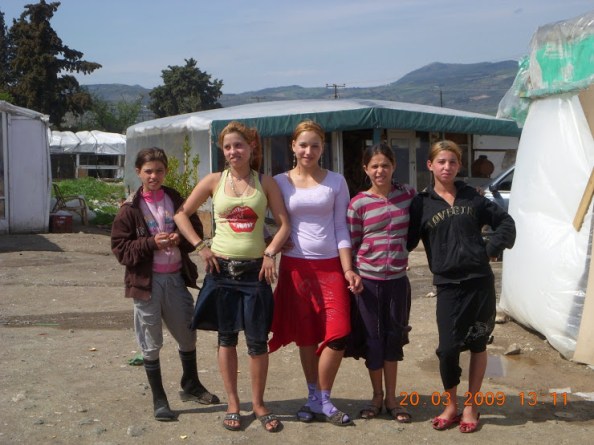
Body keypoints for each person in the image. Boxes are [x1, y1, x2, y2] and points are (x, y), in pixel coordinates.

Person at [173, 121, 290, 433]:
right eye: (227, 147)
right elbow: (181, 214)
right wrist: (200, 246)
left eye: (238, 145)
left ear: (251, 147)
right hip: (221, 272)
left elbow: (284, 225)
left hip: (255, 272)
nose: (233, 151)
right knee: (226, 338)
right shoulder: (213, 181)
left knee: (257, 342)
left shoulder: (266, 183)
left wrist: (270, 252)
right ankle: (233, 404)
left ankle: (259, 404)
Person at [407, 140, 515, 433]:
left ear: (459, 165)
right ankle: (450, 405)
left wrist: (490, 249)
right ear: (430, 165)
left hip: (479, 283)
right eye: (441, 162)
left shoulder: (472, 197)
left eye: (452, 162)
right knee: (447, 349)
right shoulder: (421, 203)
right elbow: (406, 239)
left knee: (478, 344)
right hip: (448, 286)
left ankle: (471, 405)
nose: (447, 167)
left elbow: (506, 223)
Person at [111, 147, 219, 422]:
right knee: (150, 341)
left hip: (175, 278)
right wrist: (151, 243)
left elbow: (194, 228)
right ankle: (159, 398)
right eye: (148, 171)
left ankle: (191, 384)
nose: (154, 176)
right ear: (138, 172)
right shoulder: (130, 210)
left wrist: (179, 238)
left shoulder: (175, 199)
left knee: (187, 332)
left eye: (159, 171)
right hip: (146, 284)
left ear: (166, 172)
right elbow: (121, 250)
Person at [268, 119, 363, 427]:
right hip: (296, 267)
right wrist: (272, 243)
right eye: (303, 145)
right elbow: (268, 220)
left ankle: (322, 397)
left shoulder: (336, 181)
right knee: (306, 335)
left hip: (331, 266)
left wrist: (348, 269)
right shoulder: (279, 181)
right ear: (293, 147)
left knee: (338, 334)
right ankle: (315, 397)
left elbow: (341, 227)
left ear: (323, 148)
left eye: (315, 145)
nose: (308, 151)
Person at [345, 143, 416, 422]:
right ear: (366, 169)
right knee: (373, 340)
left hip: (397, 281)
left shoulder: (408, 195)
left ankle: (392, 399)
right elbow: (352, 243)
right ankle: (376, 396)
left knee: (393, 338)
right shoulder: (358, 203)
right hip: (368, 283)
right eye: (374, 166)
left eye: (385, 165)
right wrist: (352, 273)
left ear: (394, 166)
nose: (380, 170)